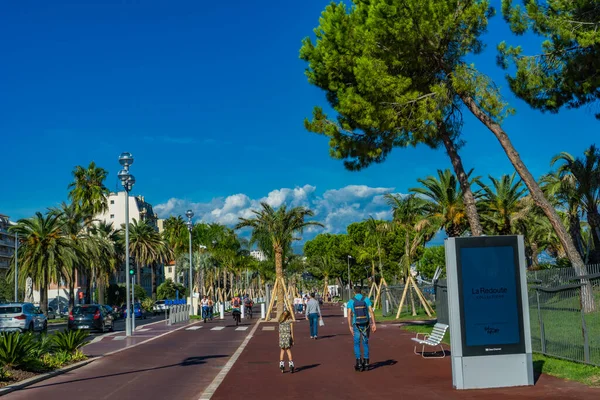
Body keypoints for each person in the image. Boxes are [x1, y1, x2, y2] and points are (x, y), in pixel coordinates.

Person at [347, 287, 376, 372]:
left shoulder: (351, 301)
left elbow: (349, 314)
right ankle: (366, 362)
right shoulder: (366, 299)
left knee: (356, 343)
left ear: (354, 292)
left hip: (356, 324)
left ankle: (359, 362)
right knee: (365, 342)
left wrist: (350, 326)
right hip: (366, 323)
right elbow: (371, 311)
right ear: (361, 292)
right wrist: (373, 323)